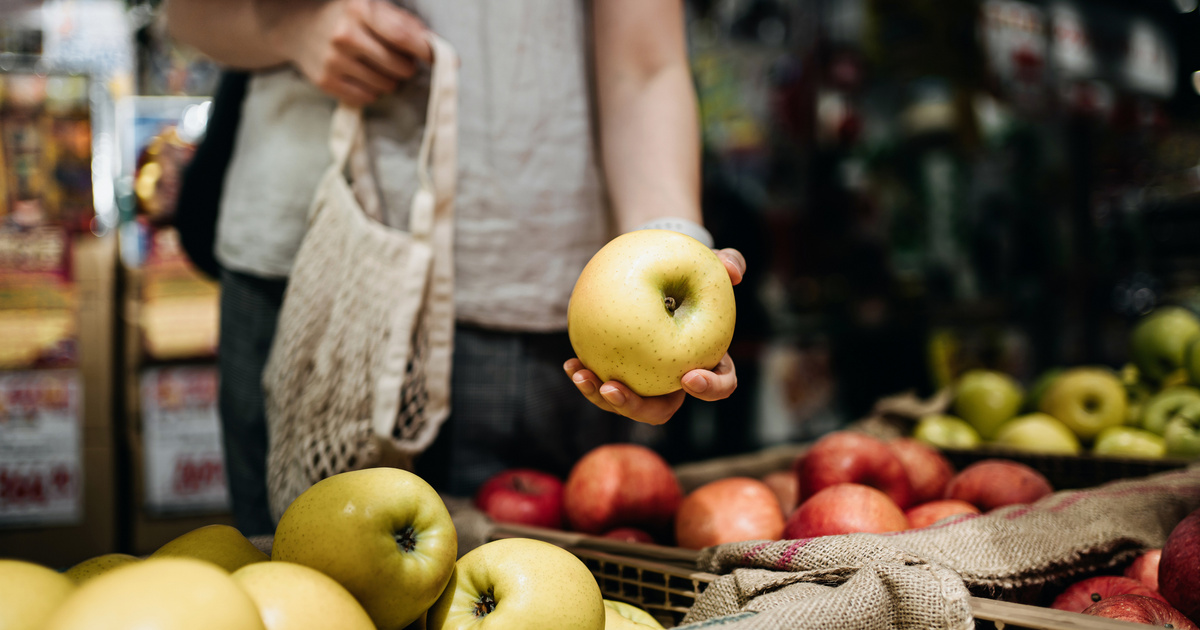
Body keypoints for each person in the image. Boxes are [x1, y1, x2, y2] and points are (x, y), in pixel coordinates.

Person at [163, 0, 746, 537]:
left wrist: (676, 244)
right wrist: (285, 27)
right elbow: (186, 14)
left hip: (533, 306)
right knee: (297, 586)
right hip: (306, 287)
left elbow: (643, 68)